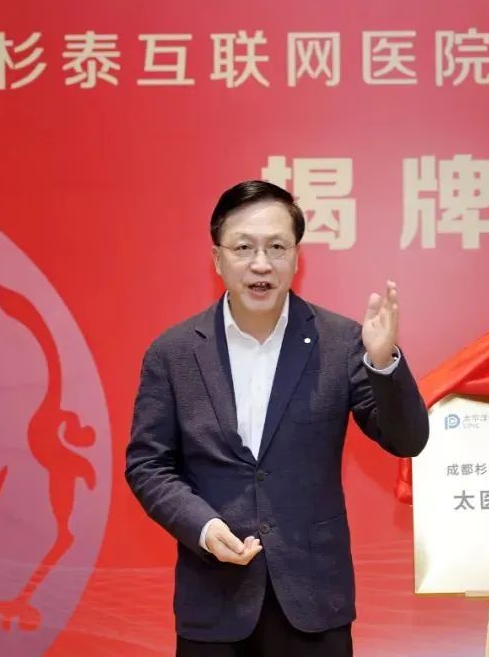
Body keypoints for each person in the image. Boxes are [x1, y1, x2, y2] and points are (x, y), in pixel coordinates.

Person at [125, 180, 430, 656]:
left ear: (297, 257)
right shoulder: (174, 353)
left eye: (276, 247)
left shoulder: (341, 342)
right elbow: (148, 465)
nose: (261, 264)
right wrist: (203, 527)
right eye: (243, 247)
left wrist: (383, 361)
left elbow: (407, 439)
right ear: (217, 258)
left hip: (313, 600)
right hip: (215, 601)